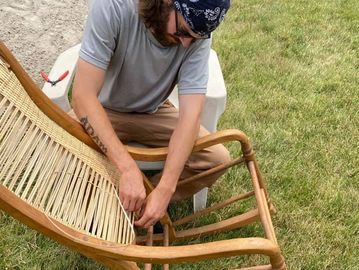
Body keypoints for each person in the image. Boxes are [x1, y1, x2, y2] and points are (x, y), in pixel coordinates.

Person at [71, 0, 231, 228]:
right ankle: (112, 204)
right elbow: (83, 97)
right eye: (184, 32)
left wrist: (165, 189)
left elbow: (190, 117)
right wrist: (127, 169)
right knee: (60, 150)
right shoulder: (113, 6)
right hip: (103, 109)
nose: (186, 44)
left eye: (196, 38)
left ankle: (143, 204)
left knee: (216, 159)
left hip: (154, 111)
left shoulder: (195, 33)